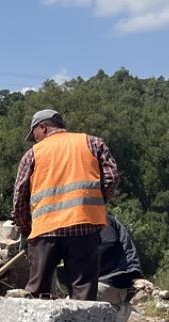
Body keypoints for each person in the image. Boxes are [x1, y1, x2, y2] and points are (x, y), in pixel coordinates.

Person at [12, 108, 120, 301]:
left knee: (38, 294)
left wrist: (26, 229)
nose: (34, 139)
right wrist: (91, 205)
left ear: (43, 127)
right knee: (83, 293)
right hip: (84, 227)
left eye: (34, 134)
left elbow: (20, 197)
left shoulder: (33, 154)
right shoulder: (92, 143)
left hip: (45, 231)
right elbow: (111, 179)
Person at [95, 214, 143, 322]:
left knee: (75, 305)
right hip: (122, 282)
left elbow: (106, 246)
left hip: (111, 282)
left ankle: (117, 309)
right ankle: (116, 306)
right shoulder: (108, 220)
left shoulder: (103, 222)